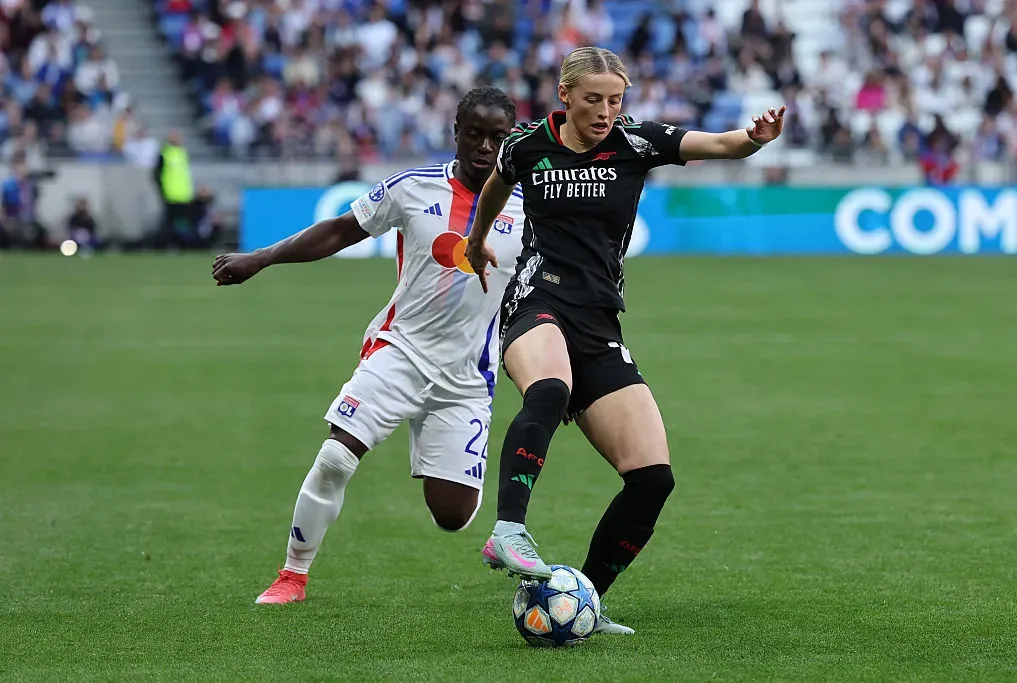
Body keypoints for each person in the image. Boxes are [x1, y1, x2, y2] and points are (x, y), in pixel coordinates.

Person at [465, 46, 785, 633]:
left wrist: (755, 137)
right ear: (565, 96)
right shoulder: (527, 146)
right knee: (550, 388)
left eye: (615, 99)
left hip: (599, 322)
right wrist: (476, 238)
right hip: (536, 302)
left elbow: (721, 145)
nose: (607, 111)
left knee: (652, 478)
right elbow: (494, 186)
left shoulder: (636, 142)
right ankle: (508, 531)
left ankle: (583, 599)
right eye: (593, 99)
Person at [211, 87, 525, 604]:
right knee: (336, 456)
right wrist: (262, 258)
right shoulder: (412, 188)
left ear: (509, 140)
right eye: (474, 134)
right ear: (455, 133)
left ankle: (428, 438)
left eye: (497, 137)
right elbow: (339, 230)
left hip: (467, 376)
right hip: (399, 352)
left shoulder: (529, 207)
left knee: (453, 516)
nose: (485, 147)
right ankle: (292, 576)